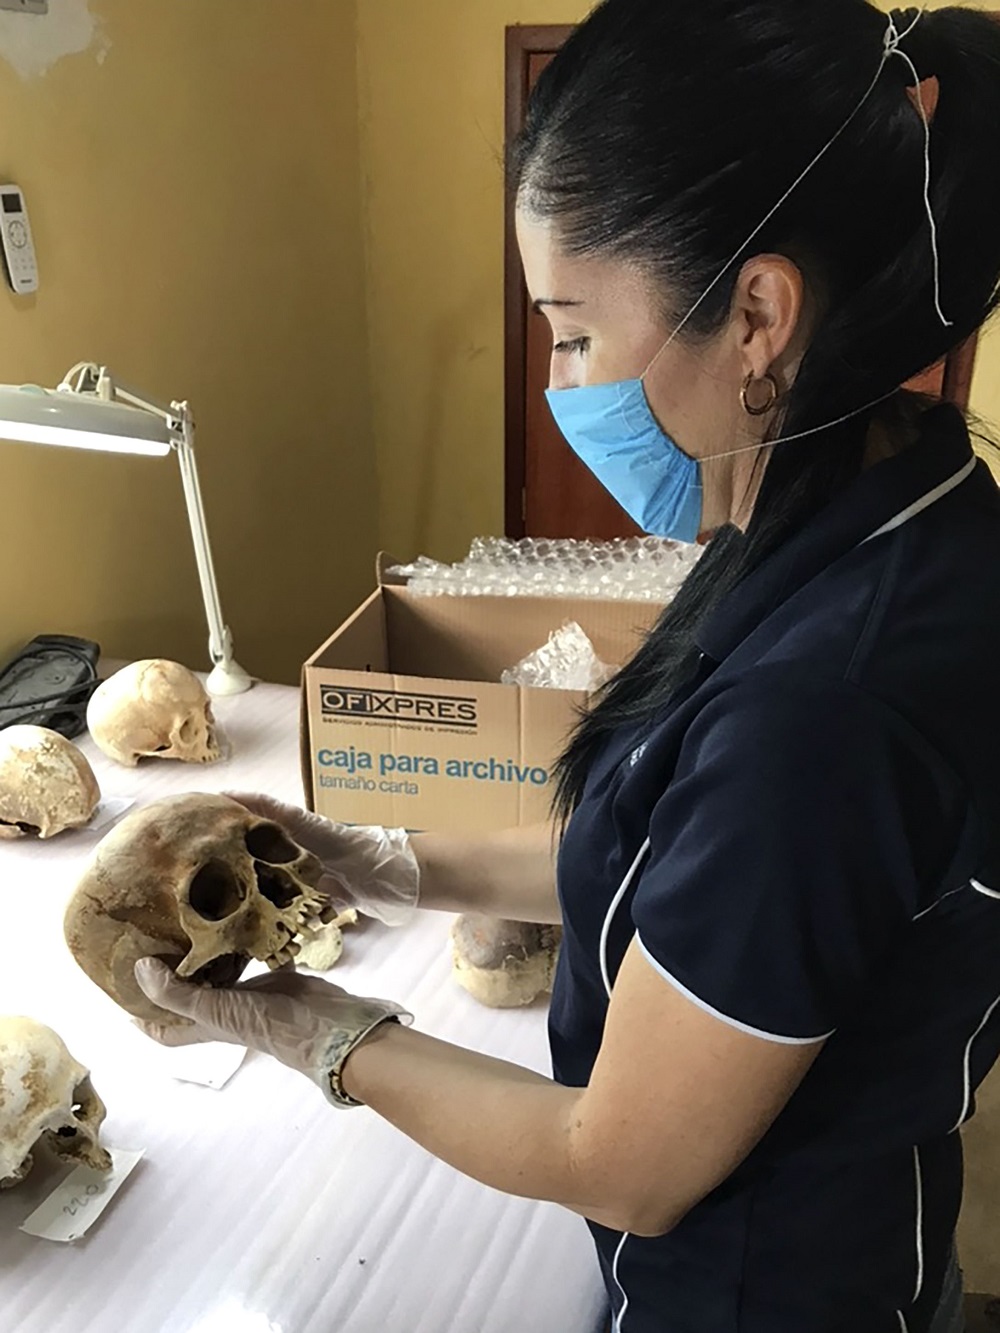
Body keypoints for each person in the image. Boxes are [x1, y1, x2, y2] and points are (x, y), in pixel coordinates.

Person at [134, 2, 1000, 1329]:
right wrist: (382, 864)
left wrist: (319, 1033)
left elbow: (623, 1162)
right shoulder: (860, 501)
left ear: (758, 313)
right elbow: (676, 863)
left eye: (576, 331)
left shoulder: (827, 711)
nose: (559, 379)